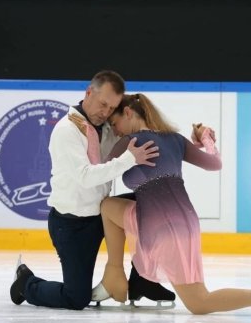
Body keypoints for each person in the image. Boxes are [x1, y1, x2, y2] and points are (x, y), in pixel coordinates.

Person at [75, 93, 251, 315]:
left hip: (162, 227)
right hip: (183, 220)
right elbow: (215, 163)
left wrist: (88, 133)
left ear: (128, 113)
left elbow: (97, 171)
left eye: (115, 123)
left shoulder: (129, 143)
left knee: (199, 302)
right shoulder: (174, 140)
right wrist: (205, 139)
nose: (115, 131)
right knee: (109, 207)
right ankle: (114, 275)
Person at [10, 71, 175, 310]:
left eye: (112, 108)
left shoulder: (107, 127)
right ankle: (26, 283)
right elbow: (85, 177)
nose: (106, 112)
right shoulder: (67, 130)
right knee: (76, 298)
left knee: (152, 205)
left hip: (101, 215)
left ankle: (142, 281)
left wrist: (195, 142)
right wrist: (128, 159)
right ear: (89, 92)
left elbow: (140, 129)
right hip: (71, 225)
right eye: (103, 104)